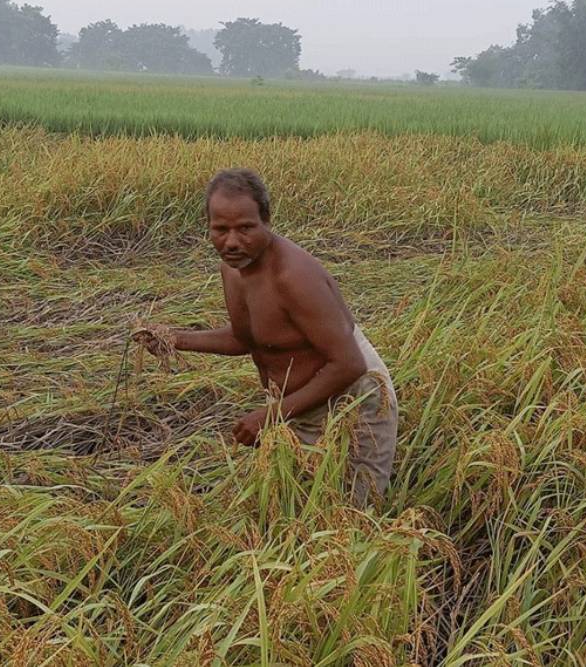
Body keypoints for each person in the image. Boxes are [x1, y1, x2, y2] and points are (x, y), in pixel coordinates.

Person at [135, 168, 398, 507]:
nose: (231, 242)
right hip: (300, 404)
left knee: (349, 513)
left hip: (353, 401)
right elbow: (248, 339)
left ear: (266, 221)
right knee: (292, 504)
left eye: (245, 228)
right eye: (220, 229)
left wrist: (269, 416)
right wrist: (174, 339)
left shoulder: (293, 277)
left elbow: (348, 364)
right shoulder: (233, 269)